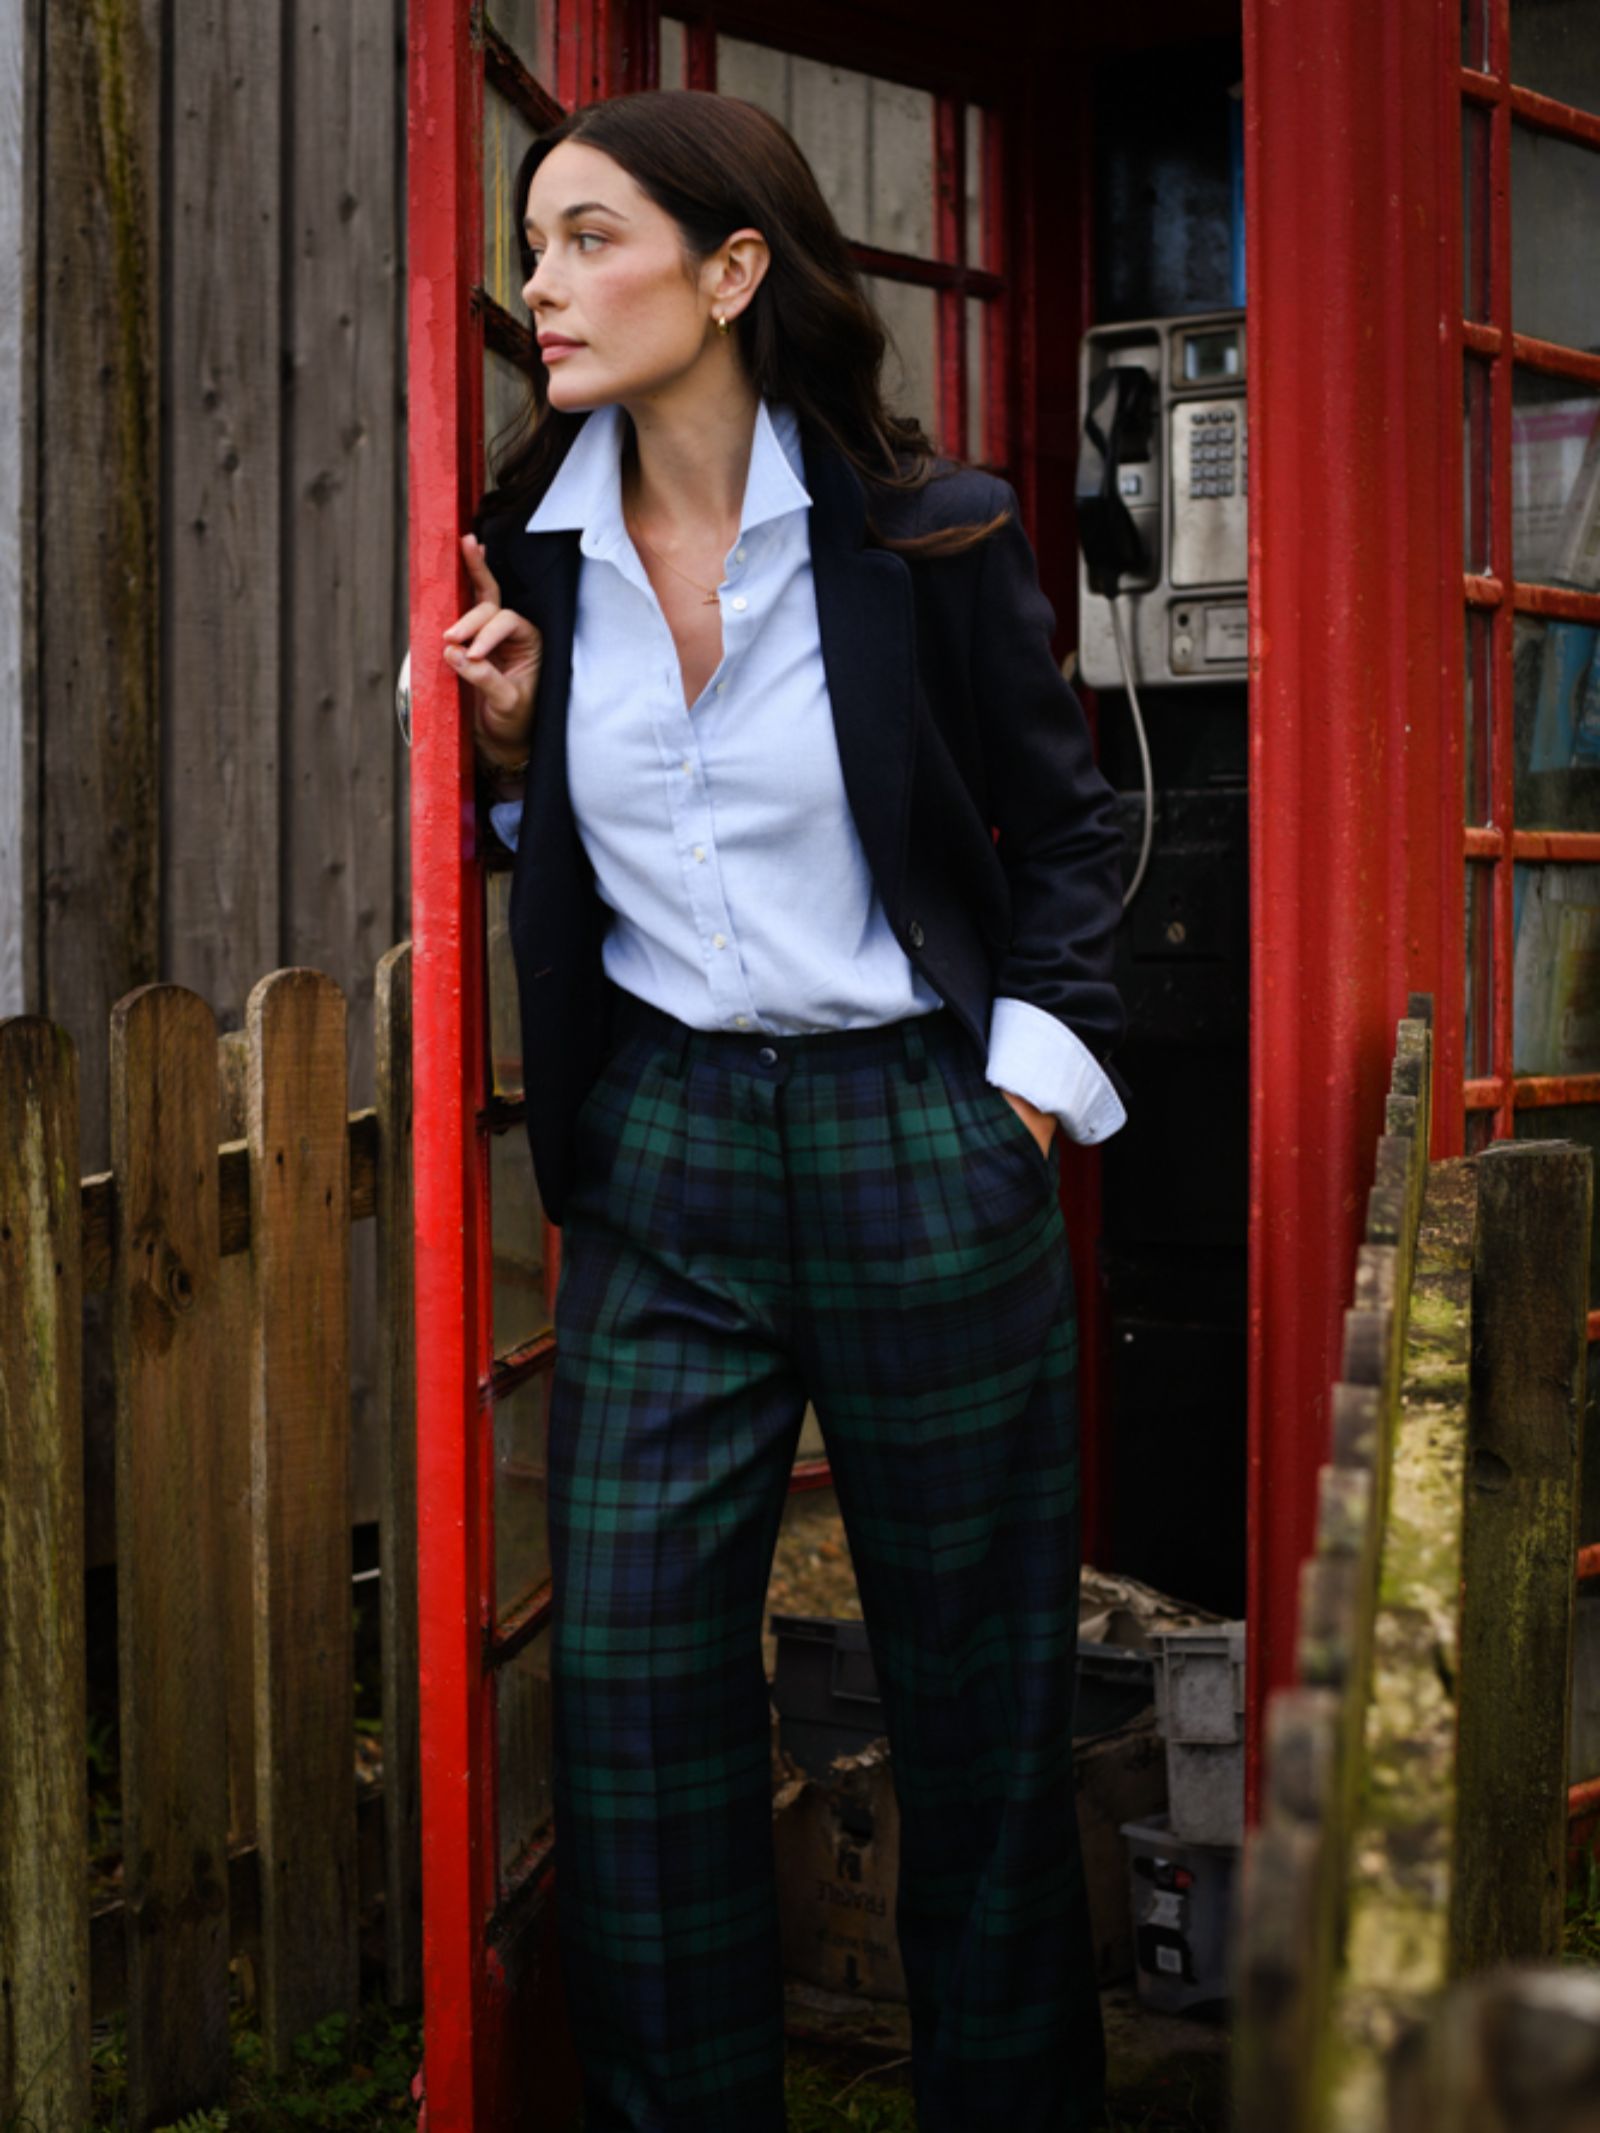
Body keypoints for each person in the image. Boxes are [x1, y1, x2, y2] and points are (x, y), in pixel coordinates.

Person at [443, 86, 1128, 2133]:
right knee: (636, 1707)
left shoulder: (927, 531)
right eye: (533, 243)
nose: (539, 285)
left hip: (912, 1130)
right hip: (660, 1152)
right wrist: (509, 745)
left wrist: (1014, 1097)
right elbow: (554, 848)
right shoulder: (525, 542)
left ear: (734, 270)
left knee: (974, 1723)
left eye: (587, 241)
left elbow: (1067, 834)